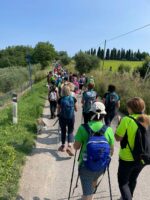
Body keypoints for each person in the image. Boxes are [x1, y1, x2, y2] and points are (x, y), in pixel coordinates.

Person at [74, 102, 114, 200]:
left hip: (85, 165)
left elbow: (76, 147)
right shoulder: (108, 129)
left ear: (91, 113)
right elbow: (111, 152)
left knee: (87, 194)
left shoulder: (83, 128)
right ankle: (90, 194)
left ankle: (88, 196)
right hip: (101, 166)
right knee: (94, 180)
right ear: (104, 115)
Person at [115, 97, 150, 200]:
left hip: (127, 158)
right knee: (133, 178)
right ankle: (128, 196)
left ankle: (127, 197)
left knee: (123, 182)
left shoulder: (127, 120)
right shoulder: (148, 118)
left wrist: (119, 124)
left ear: (131, 108)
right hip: (144, 157)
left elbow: (118, 138)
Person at [57, 85, 78, 155]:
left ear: (62, 91)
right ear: (69, 91)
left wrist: (58, 114)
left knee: (63, 131)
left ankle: (63, 146)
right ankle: (69, 145)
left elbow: (58, 109)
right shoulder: (73, 98)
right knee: (70, 131)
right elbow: (76, 109)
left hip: (62, 118)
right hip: (71, 117)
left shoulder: (60, 99)